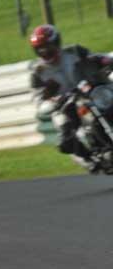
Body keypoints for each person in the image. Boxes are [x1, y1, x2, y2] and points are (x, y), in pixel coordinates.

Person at [29, 24, 113, 173]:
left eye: (47, 46)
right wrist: (51, 99)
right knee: (64, 137)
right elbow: (38, 100)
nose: (44, 51)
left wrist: (105, 61)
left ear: (56, 42)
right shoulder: (37, 72)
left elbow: (94, 58)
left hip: (90, 91)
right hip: (64, 104)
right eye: (40, 48)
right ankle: (87, 158)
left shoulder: (74, 51)